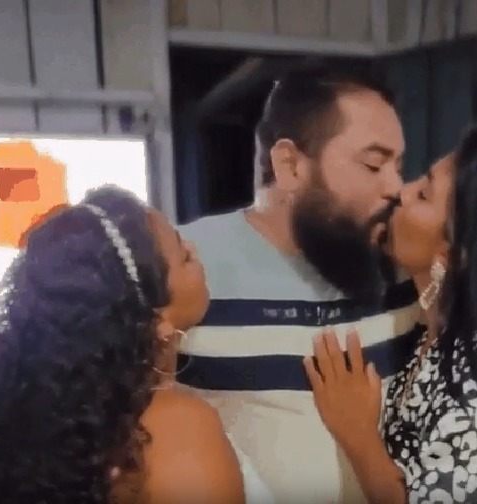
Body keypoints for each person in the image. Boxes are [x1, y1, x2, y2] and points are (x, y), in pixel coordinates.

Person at [177, 63, 420, 503]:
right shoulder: (184, 266)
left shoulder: (408, 271)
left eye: (398, 166)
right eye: (373, 164)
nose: (396, 187)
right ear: (290, 165)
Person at [304, 126, 477, 504]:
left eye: (423, 194)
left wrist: (358, 436)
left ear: (454, 254)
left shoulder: (476, 398)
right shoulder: (444, 333)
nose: (401, 192)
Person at [0, 186, 273, 504]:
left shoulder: (53, 426)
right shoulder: (178, 432)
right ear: (156, 321)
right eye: (185, 257)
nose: (195, 249)